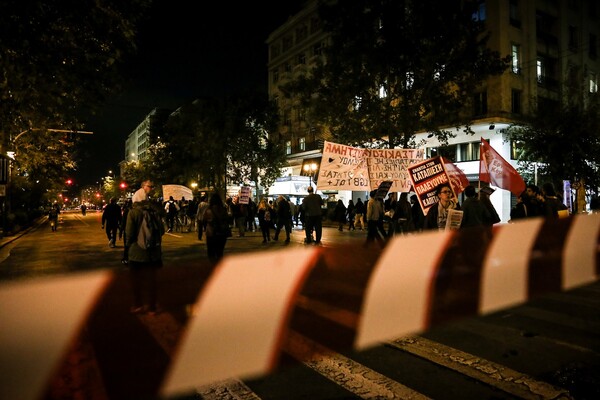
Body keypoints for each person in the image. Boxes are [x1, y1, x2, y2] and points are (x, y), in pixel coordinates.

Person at [125, 180, 164, 315]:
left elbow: (129, 234)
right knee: (152, 281)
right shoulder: (154, 212)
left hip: (136, 252)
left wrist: (127, 248)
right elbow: (162, 230)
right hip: (153, 252)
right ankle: (152, 307)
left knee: (136, 281)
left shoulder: (133, 212)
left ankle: (138, 305)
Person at [202, 192, 230, 263]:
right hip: (222, 232)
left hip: (211, 232)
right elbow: (228, 219)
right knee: (220, 251)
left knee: (211, 251)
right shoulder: (223, 209)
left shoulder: (209, 210)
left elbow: (204, 220)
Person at [120, 198, 133, 264]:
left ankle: (126, 258)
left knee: (127, 245)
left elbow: (123, 221)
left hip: (127, 230)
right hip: (134, 230)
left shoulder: (127, 211)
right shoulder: (137, 211)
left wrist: (121, 231)